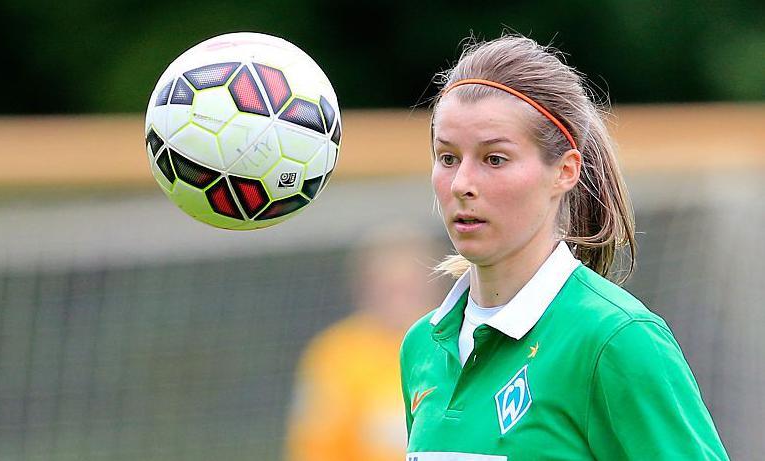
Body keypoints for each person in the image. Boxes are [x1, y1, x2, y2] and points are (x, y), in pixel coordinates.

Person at [399, 35, 729, 460]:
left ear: (564, 171)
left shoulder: (614, 339)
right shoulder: (421, 347)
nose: (462, 183)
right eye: (447, 158)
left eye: (494, 159)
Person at [286, 225, 444, 461]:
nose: (400, 302)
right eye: (390, 289)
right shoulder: (337, 354)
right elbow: (314, 446)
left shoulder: (460, 344)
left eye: (410, 288)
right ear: (364, 287)